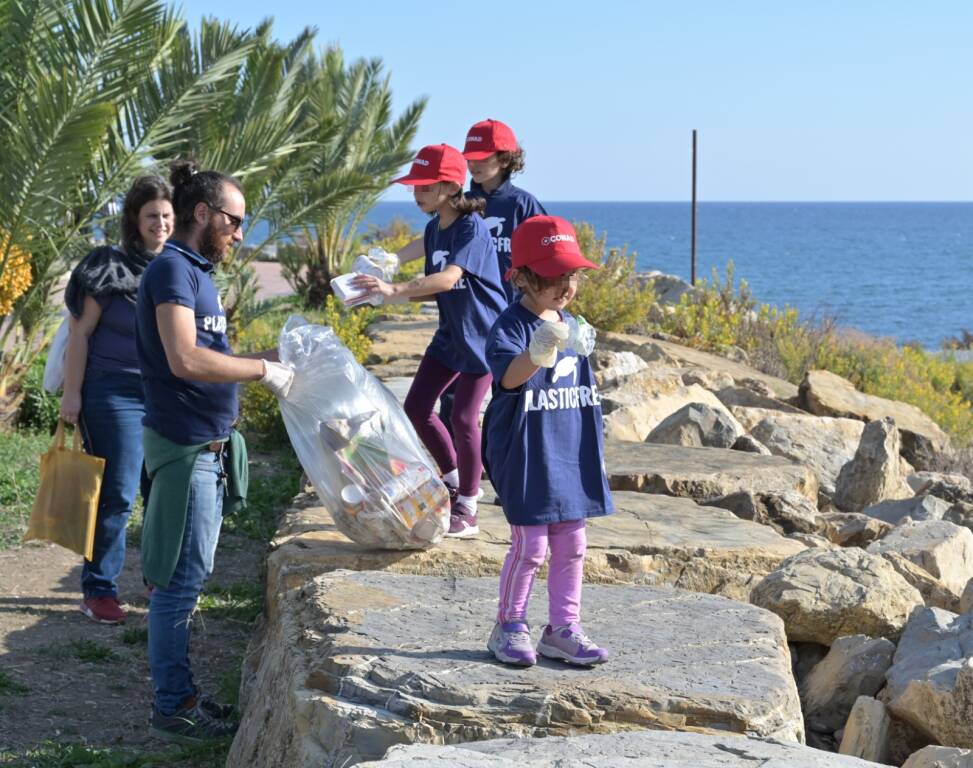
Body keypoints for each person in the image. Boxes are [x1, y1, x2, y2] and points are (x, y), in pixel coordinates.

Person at [136, 159, 293, 742]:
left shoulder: (196, 272)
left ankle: (179, 698)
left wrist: (268, 360)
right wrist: (261, 371)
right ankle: (173, 708)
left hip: (206, 449)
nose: (239, 233)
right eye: (235, 220)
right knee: (178, 582)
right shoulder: (174, 273)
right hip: (185, 451)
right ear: (203, 213)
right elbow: (185, 359)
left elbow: (207, 349)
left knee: (185, 576)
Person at [353, 144, 507, 538]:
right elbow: (430, 290)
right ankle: (454, 480)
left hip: (482, 336)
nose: (416, 192)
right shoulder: (434, 227)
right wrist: (380, 292)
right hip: (451, 333)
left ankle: (469, 508)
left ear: (451, 185)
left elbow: (449, 278)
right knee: (417, 408)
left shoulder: (470, 228)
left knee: (463, 417)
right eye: (414, 186)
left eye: (424, 185)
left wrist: (395, 288)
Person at [482, 216, 613, 668]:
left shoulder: (572, 324)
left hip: (568, 451)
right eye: (552, 276)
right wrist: (538, 351)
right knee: (531, 546)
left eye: (571, 275)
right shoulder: (511, 326)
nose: (564, 286)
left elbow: (582, 390)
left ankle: (562, 629)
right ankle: (510, 624)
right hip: (526, 454)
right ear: (521, 276)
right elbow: (508, 377)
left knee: (573, 543)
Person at [60, 175, 174, 625]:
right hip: (112, 393)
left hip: (163, 394)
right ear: (134, 219)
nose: (161, 224)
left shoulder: (178, 267)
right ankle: (98, 589)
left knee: (161, 490)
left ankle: (157, 577)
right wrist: (72, 395)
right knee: (119, 493)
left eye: (167, 216)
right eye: (152, 216)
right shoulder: (106, 266)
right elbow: (79, 334)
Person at [463, 118, 547, 304]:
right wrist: (395, 258)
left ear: (505, 159)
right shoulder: (463, 204)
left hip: (514, 307)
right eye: (469, 158)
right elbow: (435, 236)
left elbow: (548, 251)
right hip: (472, 306)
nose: (473, 164)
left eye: (482, 158)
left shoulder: (523, 203)